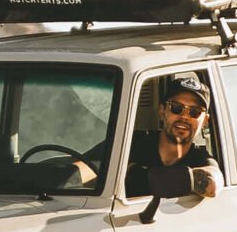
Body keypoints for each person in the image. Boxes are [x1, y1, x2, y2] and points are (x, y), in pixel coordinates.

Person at [71, 74, 219, 200]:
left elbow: (213, 184)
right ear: (162, 111)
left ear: (205, 120)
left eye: (194, 112)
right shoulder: (130, 143)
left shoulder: (200, 158)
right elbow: (83, 169)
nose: (184, 117)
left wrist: (135, 174)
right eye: (176, 108)